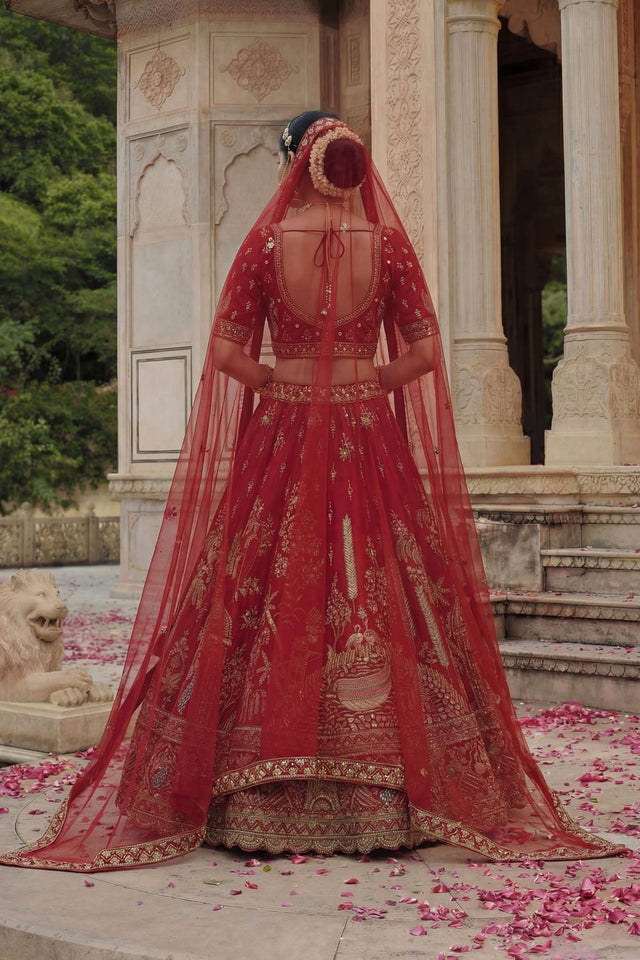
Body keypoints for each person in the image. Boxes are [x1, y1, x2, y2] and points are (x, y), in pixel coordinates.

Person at [0, 111, 626, 871]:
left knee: (265, 583)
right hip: (368, 435)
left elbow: (227, 353)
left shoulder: (268, 242)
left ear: (296, 162)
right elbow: (425, 352)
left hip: (283, 435)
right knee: (383, 583)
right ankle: (400, 781)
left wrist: (279, 379)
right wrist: (365, 382)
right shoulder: (385, 243)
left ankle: (252, 783)